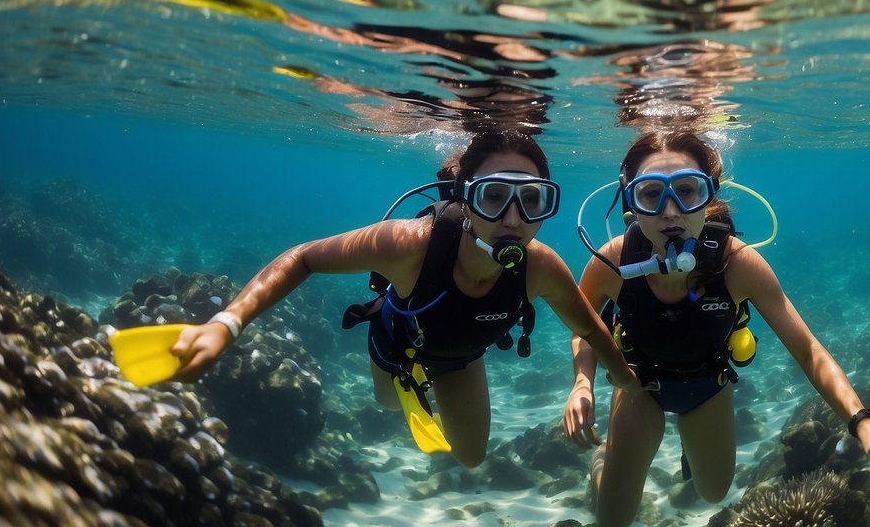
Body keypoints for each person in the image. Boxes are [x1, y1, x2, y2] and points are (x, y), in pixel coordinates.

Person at [171, 129, 641, 467]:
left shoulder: (542, 267)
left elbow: (590, 328)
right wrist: (225, 324)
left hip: (462, 356)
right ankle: (407, 385)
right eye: (493, 197)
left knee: (474, 458)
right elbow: (304, 258)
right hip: (399, 347)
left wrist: (626, 381)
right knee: (388, 405)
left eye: (532, 200)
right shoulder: (409, 245)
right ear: (465, 198)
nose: (513, 218)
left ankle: (431, 387)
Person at [562, 130, 870, 526]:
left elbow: (808, 350)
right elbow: (581, 326)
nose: (670, 211)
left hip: (706, 388)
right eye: (650, 194)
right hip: (638, 388)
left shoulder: (737, 264)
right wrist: (582, 382)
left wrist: (863, 423)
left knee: (712, 491)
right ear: (630, 200)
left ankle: (685, 447)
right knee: (613, 519)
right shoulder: (612, 261)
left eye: (687, 191)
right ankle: (604, 459)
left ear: (708, 196)